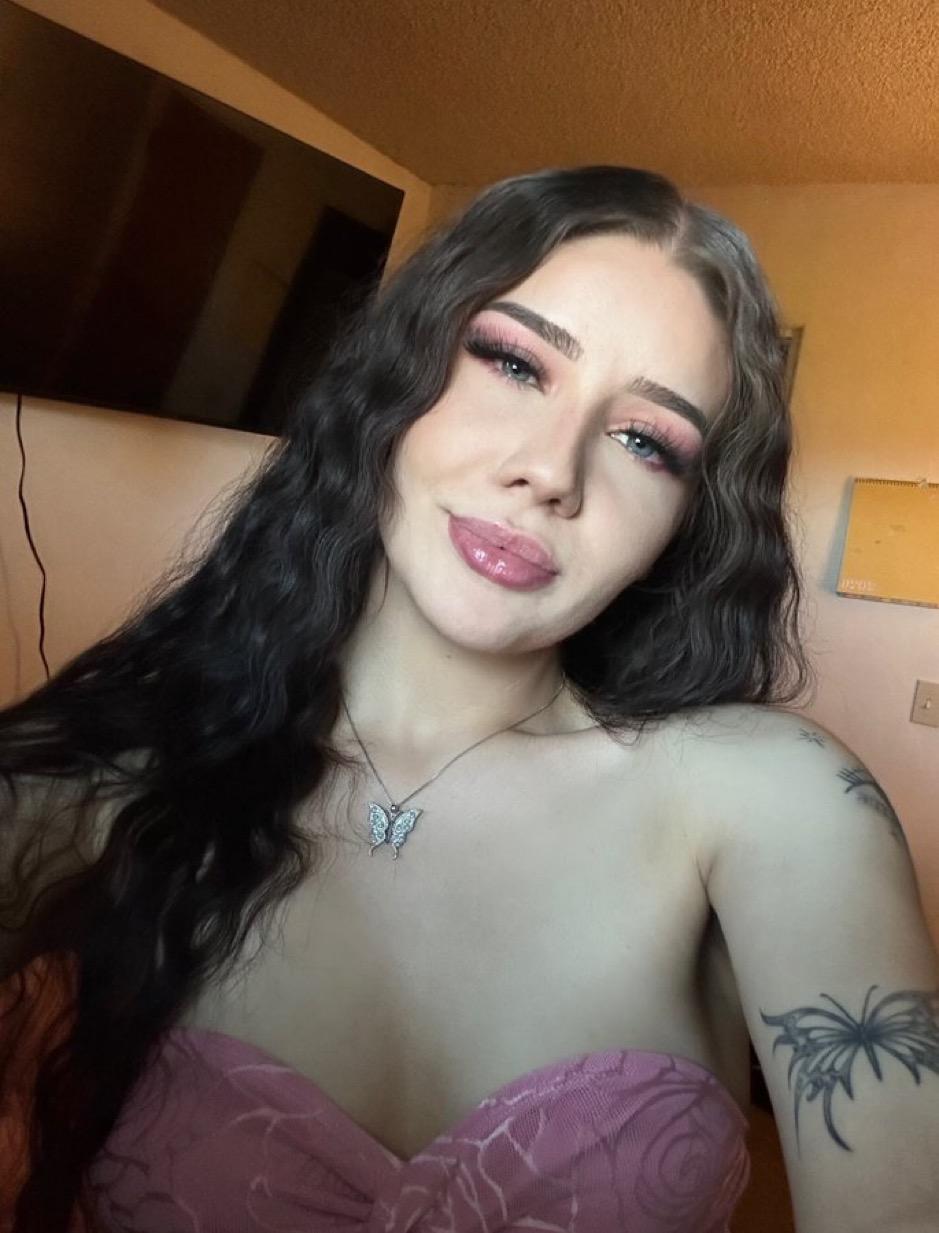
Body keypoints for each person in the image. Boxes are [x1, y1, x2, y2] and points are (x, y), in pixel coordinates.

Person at [1, 165, 937, 1233]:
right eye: (514, 363)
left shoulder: (772, 799)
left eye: (646, 441)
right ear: (396, 378)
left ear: (685, 525)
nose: (552, 470)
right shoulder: (85, 787)